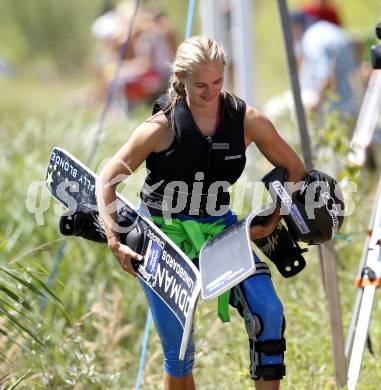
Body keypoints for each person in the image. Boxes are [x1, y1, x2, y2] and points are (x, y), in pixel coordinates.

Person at [97, 36, 306, 390]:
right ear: (180, 77)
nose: (211, 93)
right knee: (179, 355)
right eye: (200, 86)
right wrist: (115, 239)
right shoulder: (160, 128)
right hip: (163, 238)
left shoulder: (247, 121)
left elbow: (294, 169)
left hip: (220, 232)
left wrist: (273, 219)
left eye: (217, 83)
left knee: (268, 314)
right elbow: (107, 181)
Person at [290, 11, 359, 118]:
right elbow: (356, 46)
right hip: (350, 103)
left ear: (296, 27)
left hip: (334, 111)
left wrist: (316, 103)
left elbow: (326, 76)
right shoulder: (325, 30)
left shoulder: (312, 39)